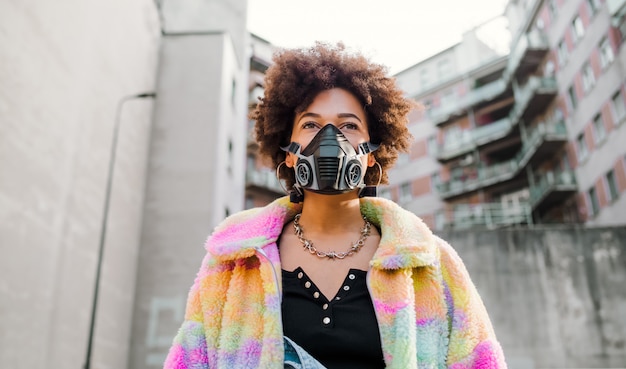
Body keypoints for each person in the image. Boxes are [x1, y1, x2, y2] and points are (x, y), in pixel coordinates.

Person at [164, 42, 506, 369]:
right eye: (311, 124)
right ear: (288, 150)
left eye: (349, 126)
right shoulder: (233, 262)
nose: (329, 139)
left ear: (371, 154)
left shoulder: (431, 264)